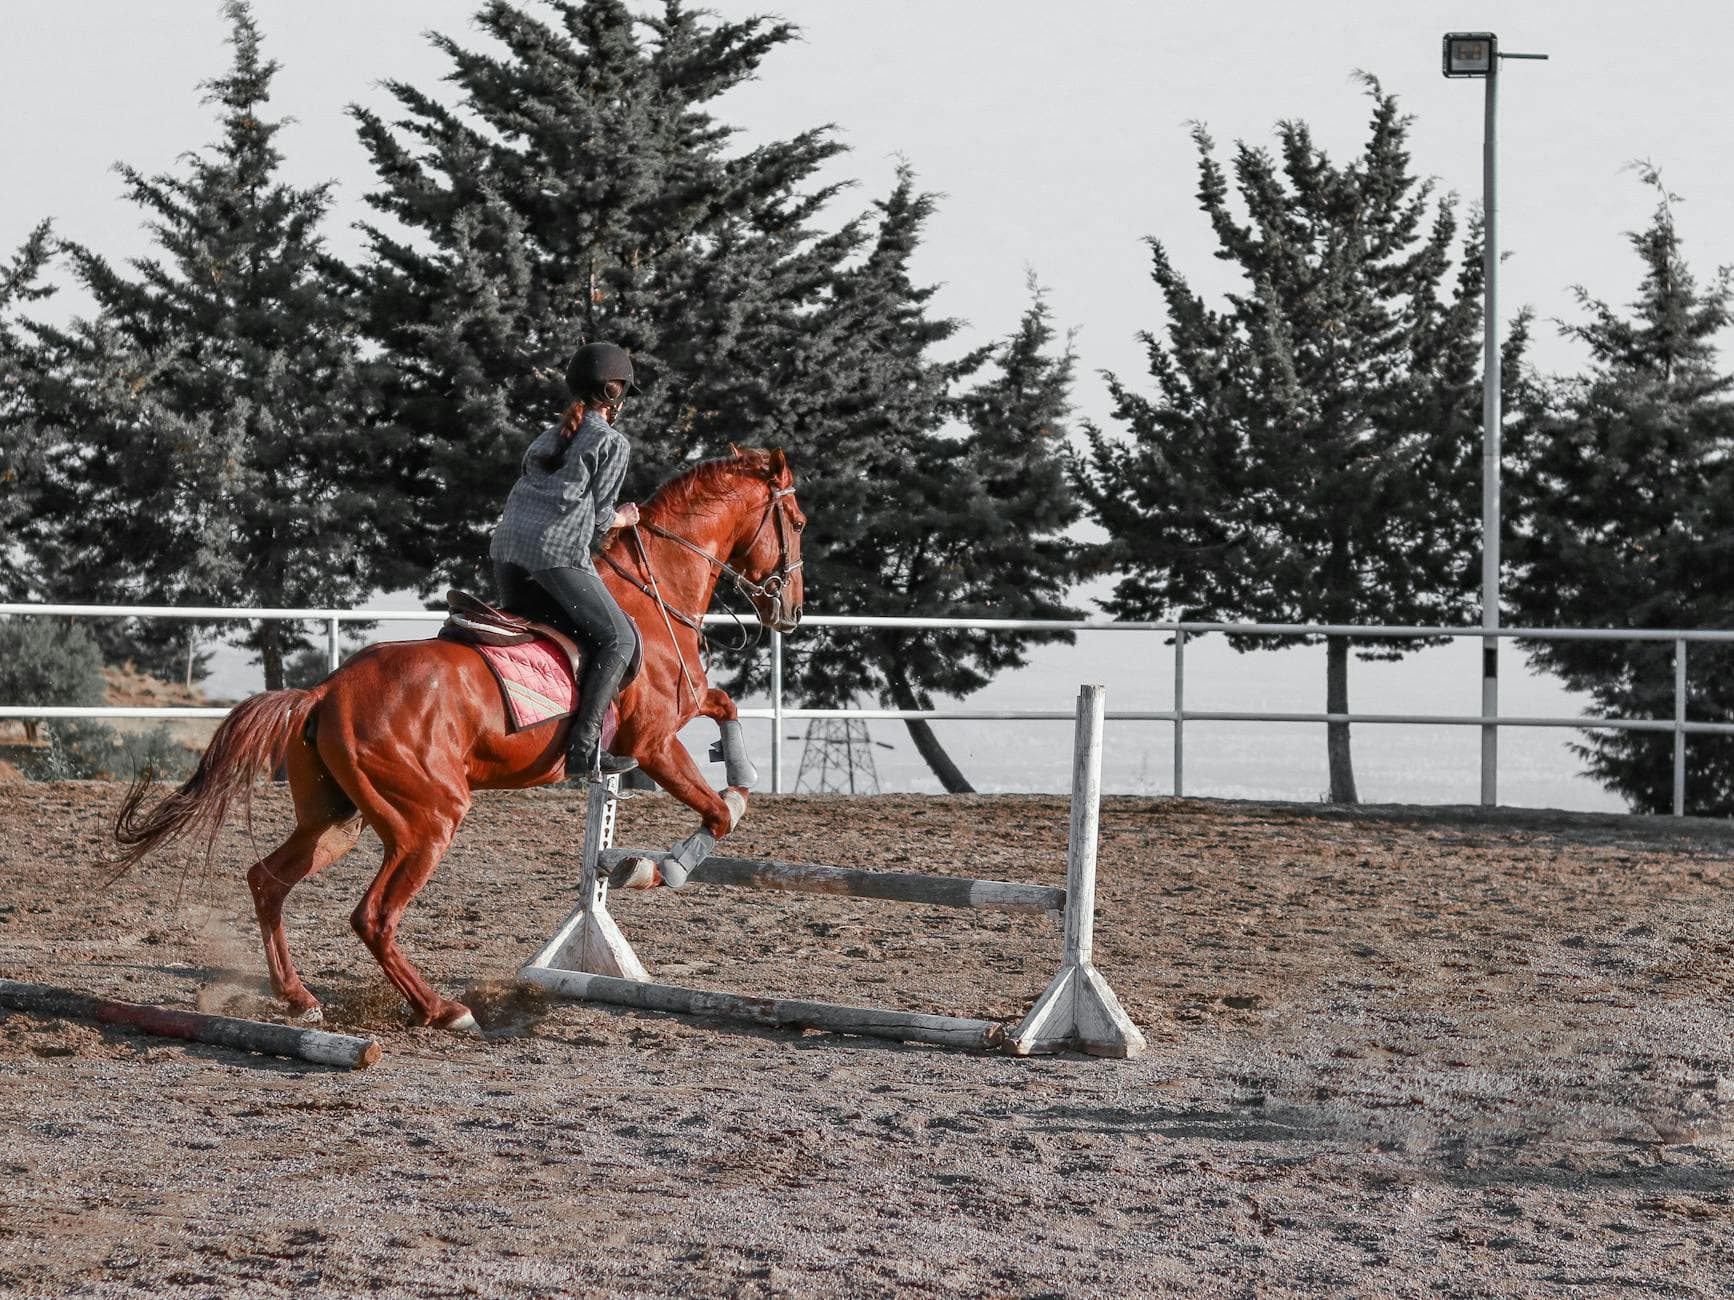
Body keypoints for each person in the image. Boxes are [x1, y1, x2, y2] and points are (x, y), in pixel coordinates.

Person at [490, 341, 642, 778]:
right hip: (555, 555)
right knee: (620, 641)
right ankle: (583, 747)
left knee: (552, 629)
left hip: (506, 552)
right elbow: (597, 522)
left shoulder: (548, 435)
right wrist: (625, 519)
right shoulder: (612, 442)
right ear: (615, 393)